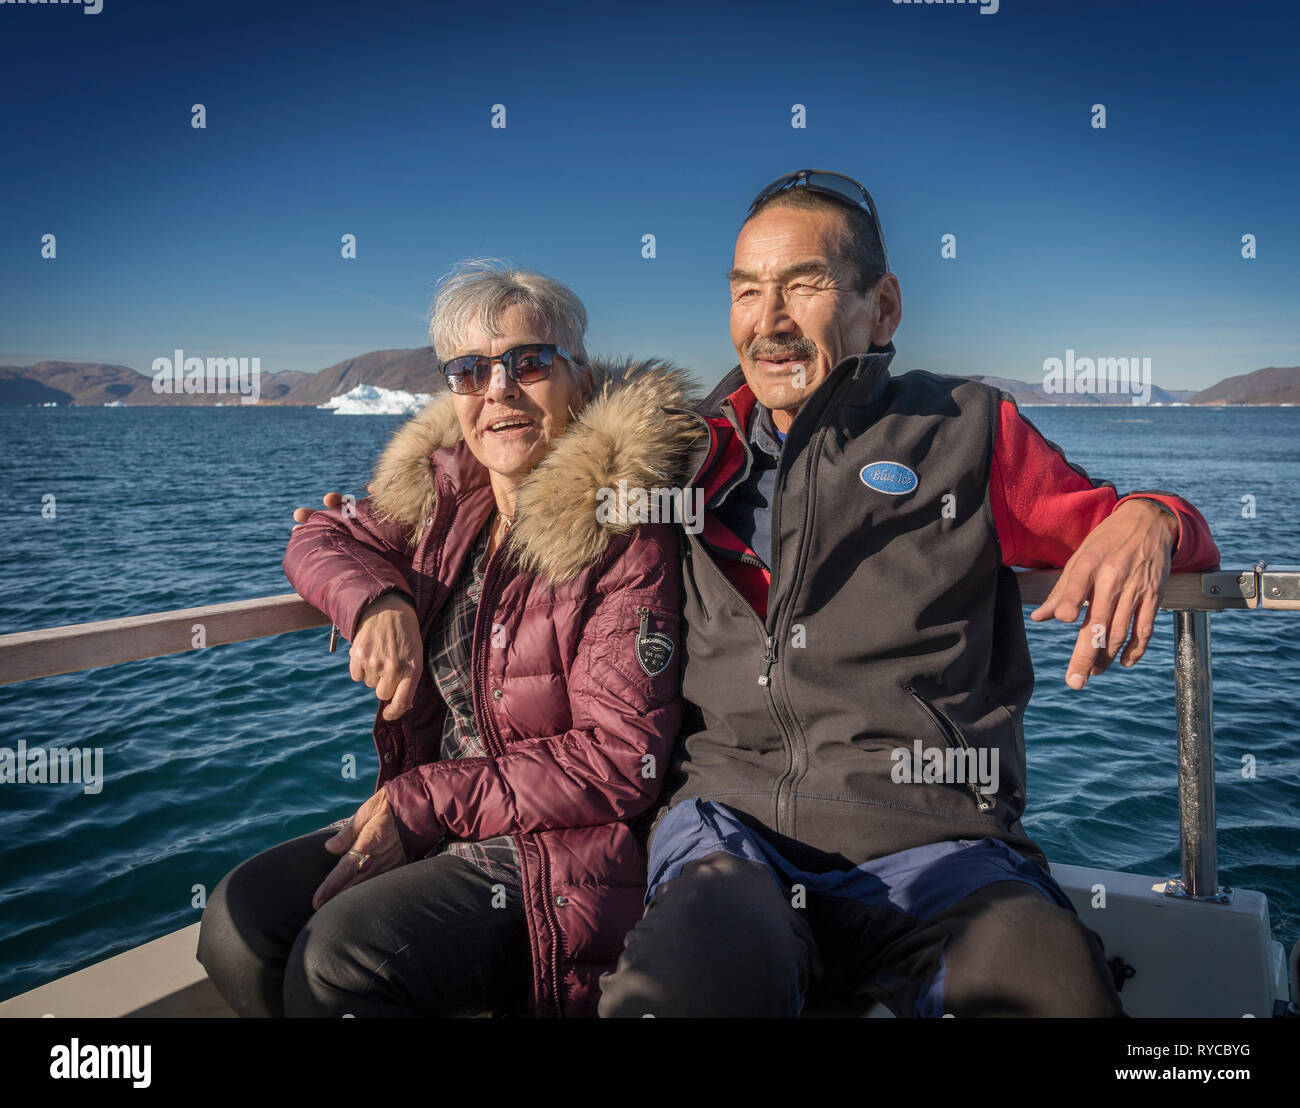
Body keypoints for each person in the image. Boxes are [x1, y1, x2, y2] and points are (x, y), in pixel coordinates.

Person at [594, 169, 1222, 1017]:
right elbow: (510, 491)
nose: (768, 321)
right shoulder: (685, 451)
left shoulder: (965, 430)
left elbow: (1125, 525)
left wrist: (1153, 518)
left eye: (803, 285)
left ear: (881, 307)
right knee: (693, 976)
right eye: (746, 291)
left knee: (1047, 981)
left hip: (939, 842)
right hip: (730, 828)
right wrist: (357, 551)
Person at [196, 260, 700, 1017]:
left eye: (528, 363)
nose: (498, 390)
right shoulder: (449, 501)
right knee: (240, 927)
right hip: (447, 819)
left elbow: (622, 759)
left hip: (558, 852)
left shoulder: (624, 524)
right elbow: (319, 536)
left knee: (340, 962)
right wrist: (377, 599)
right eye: (470, 371)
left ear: (580, 379)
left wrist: (427, 800)